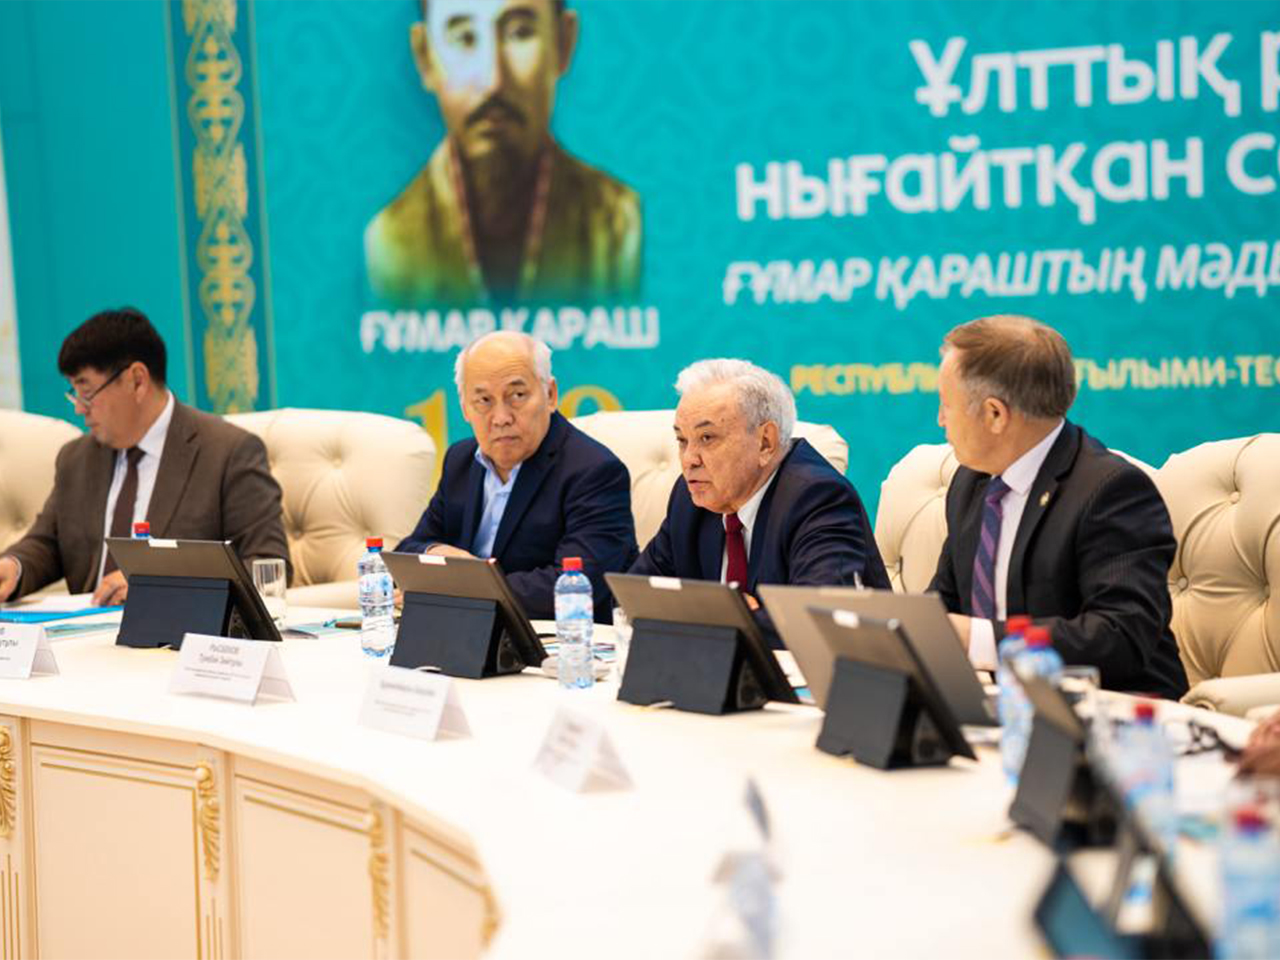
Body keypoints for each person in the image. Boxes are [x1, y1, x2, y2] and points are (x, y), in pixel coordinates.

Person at [929, 314, 1188, 699]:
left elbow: (1120, 634)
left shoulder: (1111, 491)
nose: (940, 420)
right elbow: (943, 604)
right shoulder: (972, 483)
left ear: (995, 414)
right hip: (1010, 709)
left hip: (1115, 710)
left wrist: (981, 640)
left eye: (946, 405)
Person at [0, 308, 289, 607]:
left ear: (137, 380)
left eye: (87, 393)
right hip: (84, 631)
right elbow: (47, 543)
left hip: (175, 631)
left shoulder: (228, 452)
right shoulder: (76, 458)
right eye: (73, 394)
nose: (79, 408)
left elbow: (267, 565)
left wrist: (160, 584)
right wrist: (14, 566)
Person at [365, 0, 641, 307]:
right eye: (465, 37)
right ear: (424, 56)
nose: (492, 80)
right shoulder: (389, 243)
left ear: (563, 42)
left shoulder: (621, 226)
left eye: (519, 33)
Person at [629, 358, 890, 646]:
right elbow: (636, 596)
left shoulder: (818, 497)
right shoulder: (691, 497)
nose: (689, 459)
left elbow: (816, 623)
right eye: (682, 440)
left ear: (766, 442)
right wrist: (734, 613)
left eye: (707, 437)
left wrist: (717, 615)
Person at [397, 330, 636, 620]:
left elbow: (577, 583)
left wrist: (464, 587)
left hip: (556, 637)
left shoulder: (594, 471)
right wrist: (435, 552)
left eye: (517, 396)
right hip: (470, 629)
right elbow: (408, 551)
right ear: (464, 409)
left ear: (550, 395)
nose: (501, 418)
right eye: (483, 400)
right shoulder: (461, 461)